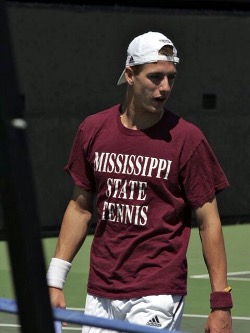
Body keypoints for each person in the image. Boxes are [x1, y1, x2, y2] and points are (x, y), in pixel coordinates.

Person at [47, 31, 233, 333]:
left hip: (158, 290)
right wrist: (54, 282)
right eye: (155, 77)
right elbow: (80, 208)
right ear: (130, 74)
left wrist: (220, 303)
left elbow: (208, 221)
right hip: (101, 290)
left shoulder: (188, 139)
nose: (165, 88)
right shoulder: (92, 130)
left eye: (171, 78)